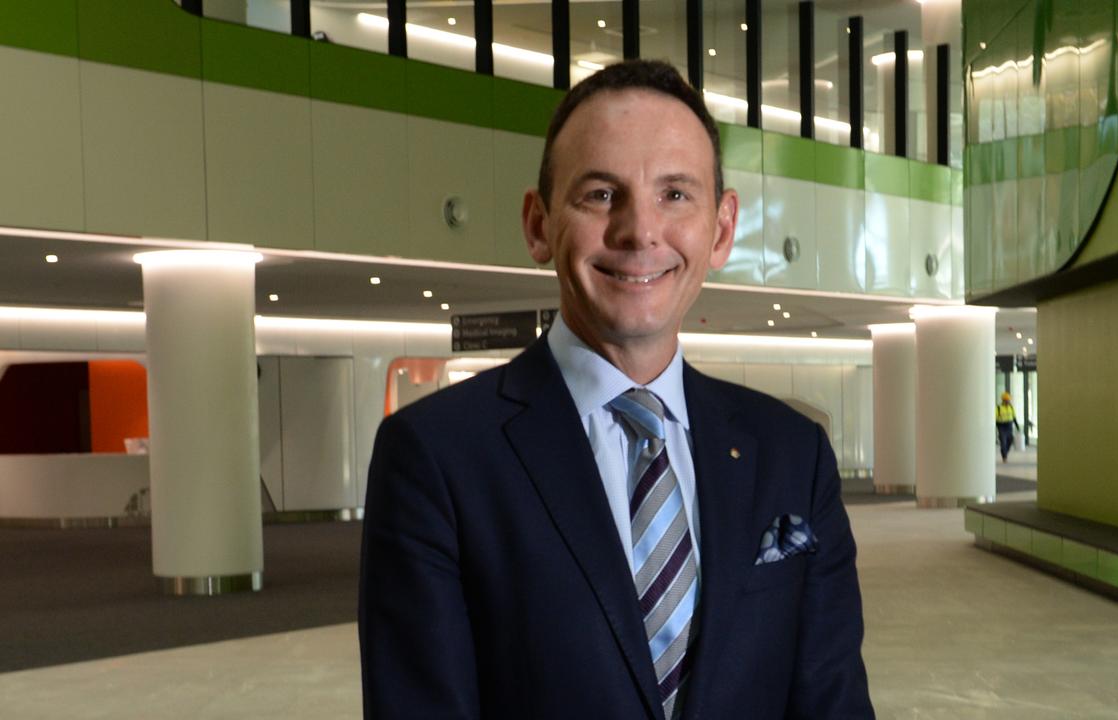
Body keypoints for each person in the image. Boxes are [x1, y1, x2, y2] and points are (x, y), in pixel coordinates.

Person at [359, 60, 874, 719]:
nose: (639, 231)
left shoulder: (792, 454)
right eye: (601, 194)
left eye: (676, 195)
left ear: (721, 229)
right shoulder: (434, 456)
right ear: (538, 225)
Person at [996, 391, 1020, 463]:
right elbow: (995, 418)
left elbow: (1014, 417)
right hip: (1001, 426)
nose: (1008, 401)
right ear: (1003, 400)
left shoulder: (1011, 408)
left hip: (1009, 427)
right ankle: (1004, 456)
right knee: (1003, 442)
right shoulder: (998, 408)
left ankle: (1005, 452)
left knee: (1010, 440)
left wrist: (1017, 426)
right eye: (1006, 400)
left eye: (1009, 400)